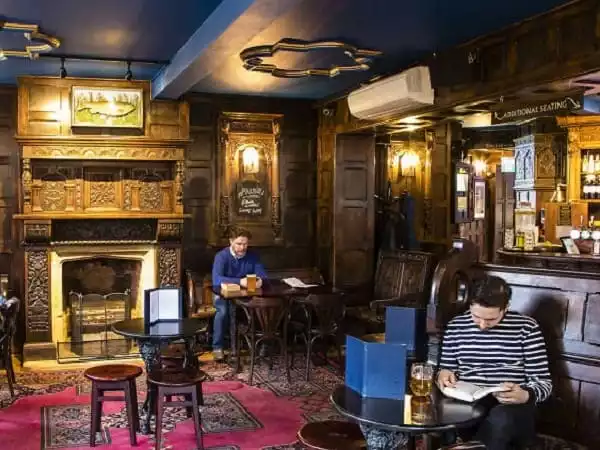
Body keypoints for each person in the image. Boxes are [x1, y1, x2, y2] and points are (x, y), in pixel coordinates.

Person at [437, 276, 552, 450]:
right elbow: (446, 369)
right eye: (476, 317)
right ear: (470, 305)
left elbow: (544, 384)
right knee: (453, 414)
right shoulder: (456, 327)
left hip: (511, 407)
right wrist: (443, 374)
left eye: (490, 320)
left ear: (506, 308)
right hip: (470, 401)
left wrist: (526, 395)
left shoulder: (527, 328)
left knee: (501, 418)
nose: (482, 325)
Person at [211, 227, 267, 360]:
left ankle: (262, 344)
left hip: (245, 295)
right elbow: (217, 279)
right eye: (239, 244)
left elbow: (263, 275)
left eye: (245, 244)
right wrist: (240, 281)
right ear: (231, 241)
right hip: (223, 293)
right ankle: (217, 347)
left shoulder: (252, 256)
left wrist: (260, 280)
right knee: (223, 312)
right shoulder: (221, 256)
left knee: (261, 308)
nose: (242, 247)